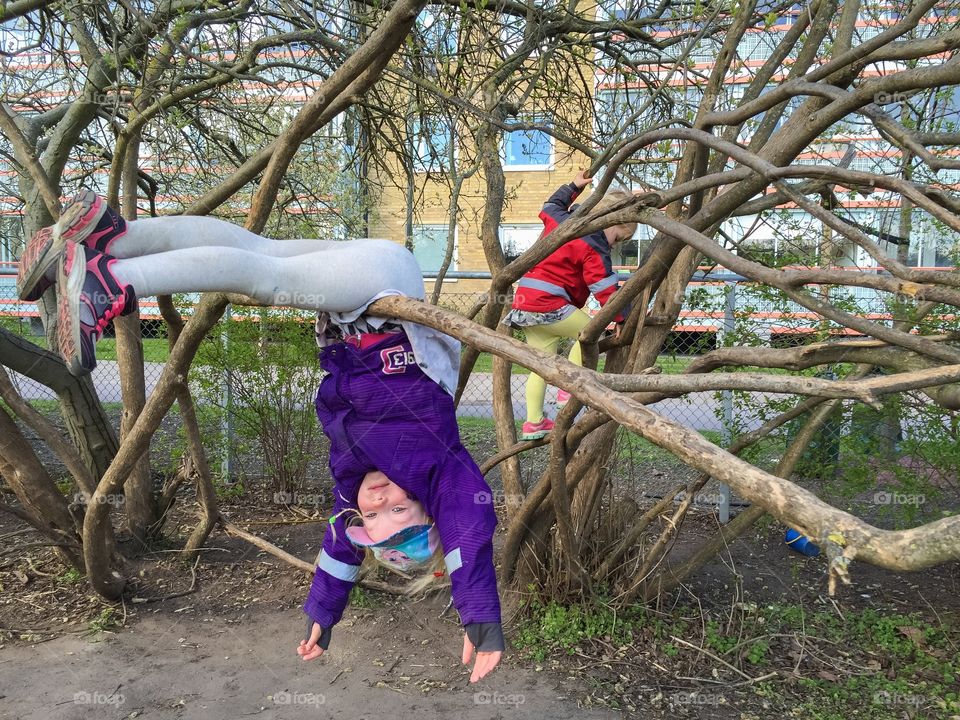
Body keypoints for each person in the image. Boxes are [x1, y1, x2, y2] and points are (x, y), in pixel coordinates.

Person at [17, 190, 504, 682]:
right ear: (430, 502)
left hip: (354, 304)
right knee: (266, 278)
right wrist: (479, 617)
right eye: (398, 509)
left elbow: (341, 548)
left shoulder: (352, 475)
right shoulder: (440, 468)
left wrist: (323, 616)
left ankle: (108, 238)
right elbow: (467, 531)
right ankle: (114, 282)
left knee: (261, 249)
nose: (377, 500)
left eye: (372, 516)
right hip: (382, 290)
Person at [503, 171, 638, 440]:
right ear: (614, 222)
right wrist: (622, 318)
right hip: (550, 303)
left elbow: (550, 206)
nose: (614, 245)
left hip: (525, 303)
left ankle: (533, 423)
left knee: (540, 365)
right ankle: (570, 388)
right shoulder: (594, 241)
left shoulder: (561, 219)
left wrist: (573, 187)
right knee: (589, 332)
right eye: (619, 238)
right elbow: (604, 288)